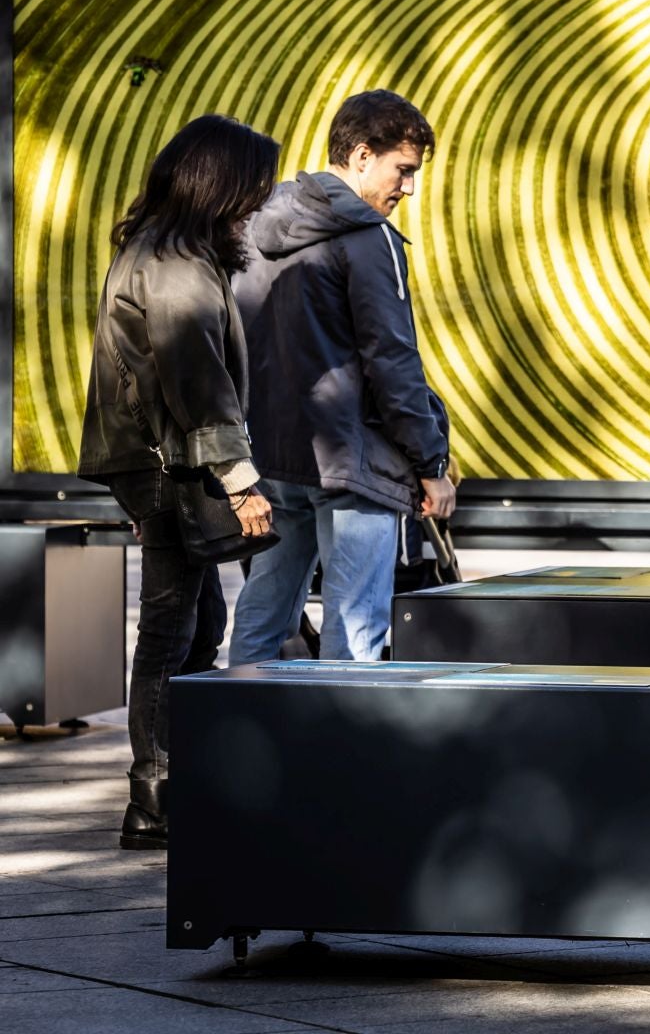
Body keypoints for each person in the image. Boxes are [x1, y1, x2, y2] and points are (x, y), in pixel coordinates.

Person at [78, 115, 279, 851]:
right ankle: (156, 798)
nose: (257, 200)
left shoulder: (165, 252)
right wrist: (242, 481)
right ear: (218, 182)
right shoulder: (174, 265)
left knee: (195, 622)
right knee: (173, 626)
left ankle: (172, 784)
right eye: (252, 184)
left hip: (161, 463)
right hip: (175, 463)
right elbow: (197, 382)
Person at [228, 90, 455, 666]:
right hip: (352, 461)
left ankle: (238, 744)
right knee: (354, 627)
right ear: (360, 156)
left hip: (274, 457)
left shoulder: (256, 222)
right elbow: (392, 359)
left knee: (265, 608)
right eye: (402, 170)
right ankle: (336, 755)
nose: (408, 189)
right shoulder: (368, 237)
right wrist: (430, 465)